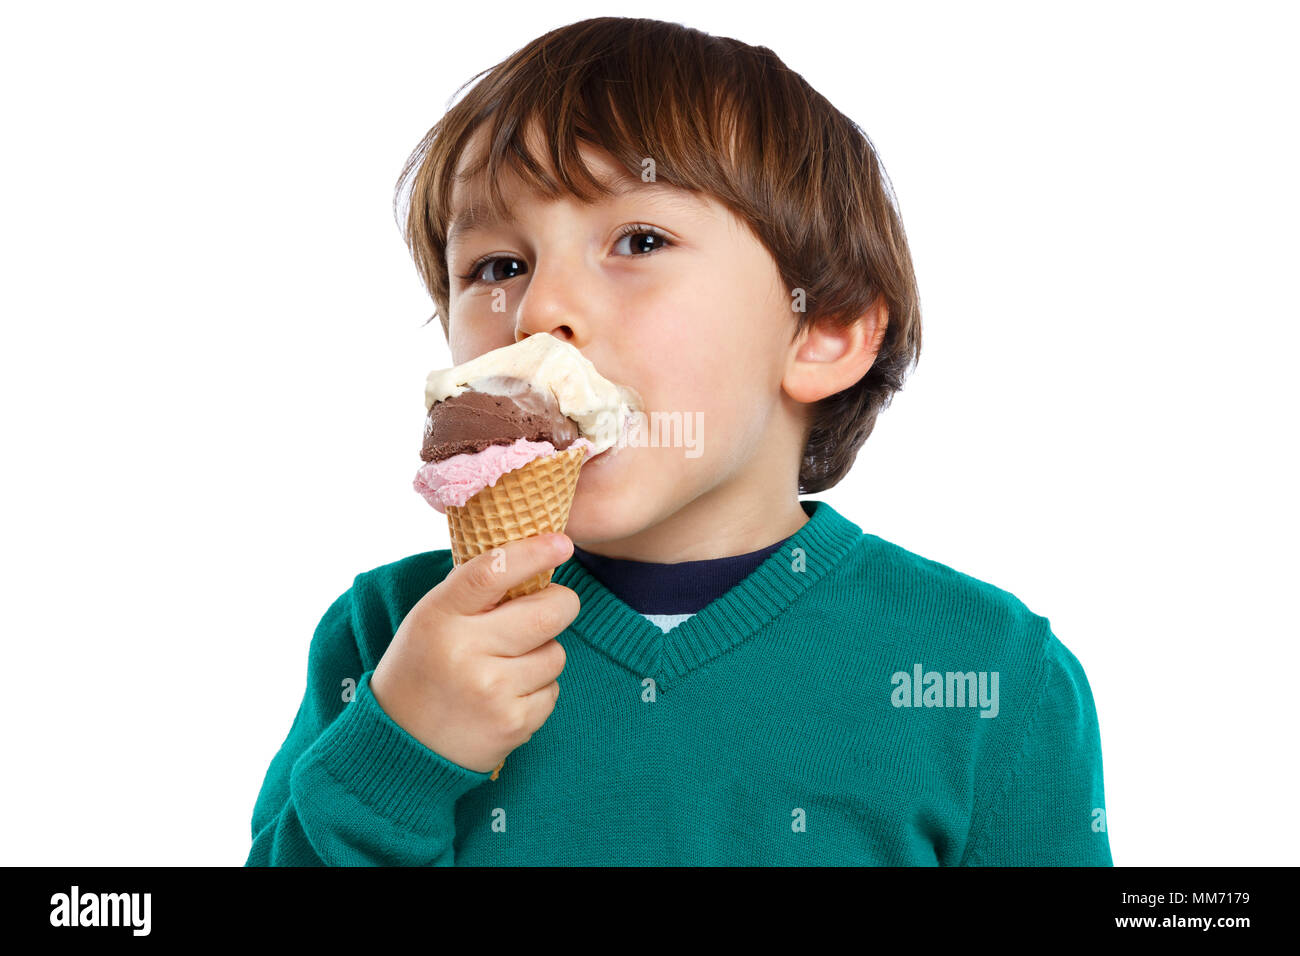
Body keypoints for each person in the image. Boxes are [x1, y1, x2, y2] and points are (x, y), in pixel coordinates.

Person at [246, 16, 1112, 866]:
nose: (541, 311)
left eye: (639, 241)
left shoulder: (991, 674)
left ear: (827, 331)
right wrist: (397, 758)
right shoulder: (387, 642)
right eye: (497, 267)